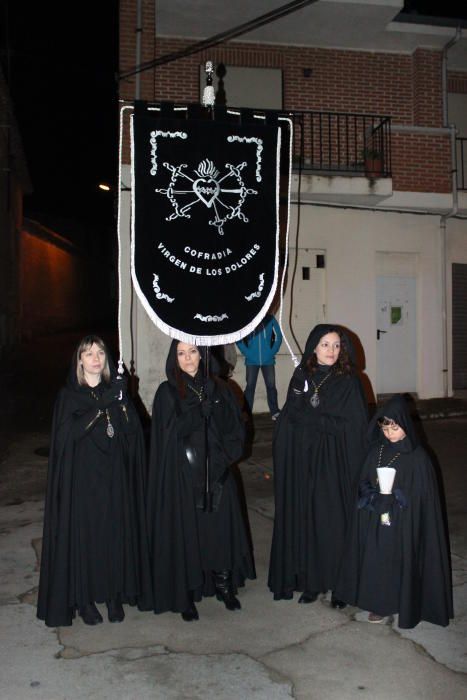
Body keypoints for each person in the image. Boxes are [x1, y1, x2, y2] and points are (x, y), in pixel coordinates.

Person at [37, 335, 152, 627]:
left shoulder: (114, 388)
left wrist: (124, 401)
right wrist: (102, 406)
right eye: (88, 354)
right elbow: (67, 436)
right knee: (86, 538)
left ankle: (114, 594)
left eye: (100, 352)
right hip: (83, 480)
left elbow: (131, 433)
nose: (95, 358)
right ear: (79, 361)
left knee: (114, 533)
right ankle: (86, 599)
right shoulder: (69, 395)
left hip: (114, 475)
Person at [147, 340, 256, 621]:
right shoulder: (168, 392)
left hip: (217, 471)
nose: (188, 359)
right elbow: (165, 436)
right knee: (188, 533)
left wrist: (225, 458)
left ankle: (223, 584)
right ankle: (186, 592)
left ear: (203, 354)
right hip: (183, 476)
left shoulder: (220, 389)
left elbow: (236, 430)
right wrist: (195, 413)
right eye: (181, 353)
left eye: (193, 352)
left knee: (219, 530)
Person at [268, 324, 368, 606]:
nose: (331, 351)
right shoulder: (302, 375)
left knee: (333, 523)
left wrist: (314, 418)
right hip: (306, 460)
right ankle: (311, 583)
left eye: (336, 345)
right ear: (314, 347)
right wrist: (298, 402)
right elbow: (290, 418)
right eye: (325, 345)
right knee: (308, 521)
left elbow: (354, 426)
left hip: (335, 464)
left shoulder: (350, 381)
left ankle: (339, 586)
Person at [335, 395, 454, 628]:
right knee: (376, 560)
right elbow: (363, 481)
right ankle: (378, 604)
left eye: (395, 428)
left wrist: (396, 499)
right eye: (385, 427)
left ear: (405, 426)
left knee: (399, 560)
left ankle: (405, 601)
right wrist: (372, 497)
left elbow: (421, 497)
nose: (390, 433)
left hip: (402, 523)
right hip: (375, 518)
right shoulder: (376, 451)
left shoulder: (418, 458)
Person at [237, 313, 282, 419]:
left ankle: (275, 412)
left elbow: (278, 337)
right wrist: (248, 353)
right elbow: (238, 337)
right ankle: (247, 413)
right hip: (251, 361)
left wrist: (271, 352)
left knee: (271, 386)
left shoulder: (270, 318)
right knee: (250, 387)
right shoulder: (248, 317)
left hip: (268, 360)